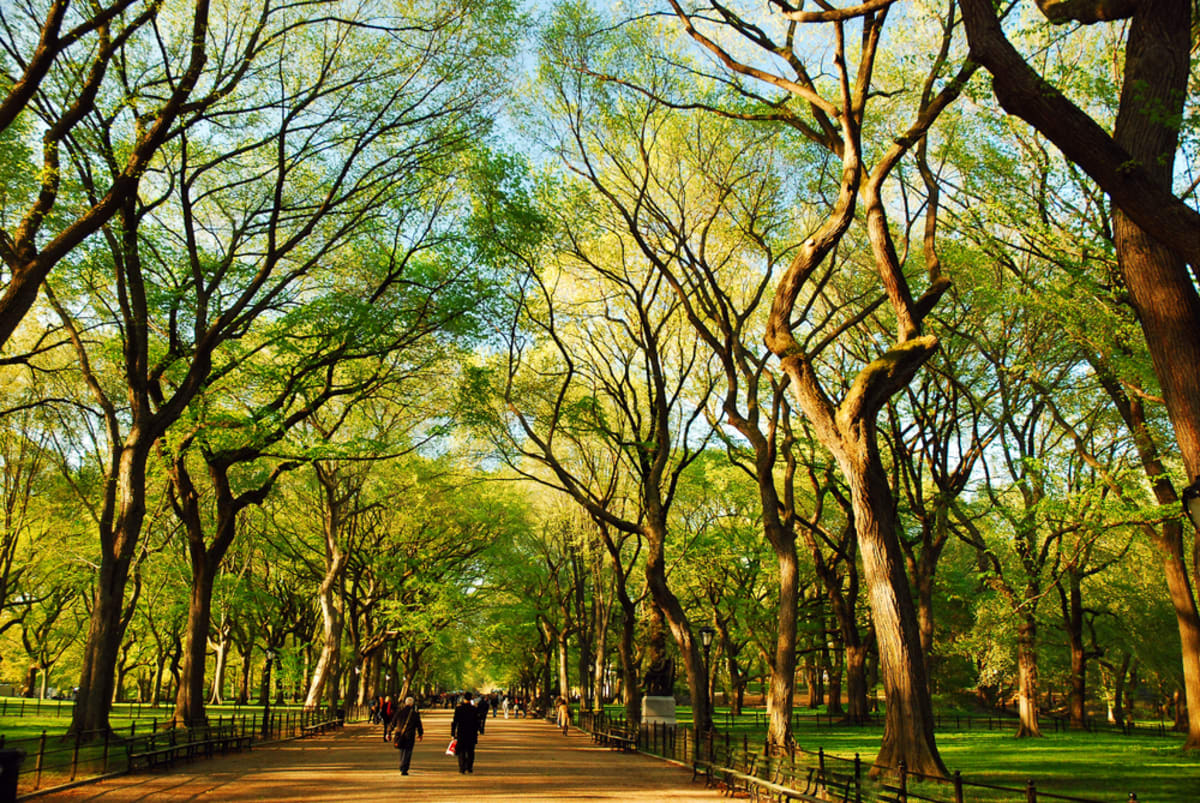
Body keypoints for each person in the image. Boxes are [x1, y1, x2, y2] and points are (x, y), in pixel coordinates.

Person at [390, 696, 424, 776]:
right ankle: (404, 768)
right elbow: (418, 725)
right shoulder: (415, 714)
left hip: (400, 734)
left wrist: (388, 732)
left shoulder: (399, 712)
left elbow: (393, 723)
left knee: (402, 750)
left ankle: (402, 764)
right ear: (412, 704)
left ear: (405, 703)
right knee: (408, 751)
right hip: (410, 735)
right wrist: (420, 734)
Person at [451, 691, 481, 774]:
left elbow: (455, 722)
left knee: (461, 751)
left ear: (464, 699)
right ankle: (469, 767)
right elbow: (478, 721)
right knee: (471, 751)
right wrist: (479, 730)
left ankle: (462, 767)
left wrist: (453, 733)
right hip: (471, 733)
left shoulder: (459, 709)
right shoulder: (474, 709)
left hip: (461, 732)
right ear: (471, 699)